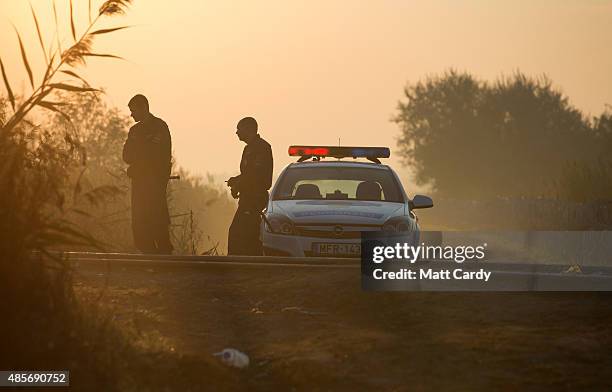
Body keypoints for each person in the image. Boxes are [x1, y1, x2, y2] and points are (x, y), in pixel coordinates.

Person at [122, 94, 173, 254]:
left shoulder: (159, 127)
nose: (131, 114)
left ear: (143, 107)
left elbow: (157, 155)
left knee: (157, 219)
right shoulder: (134, 131)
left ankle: (164, 256)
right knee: (139, 221)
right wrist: (142, 155)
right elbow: (127, 155)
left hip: (155, 182)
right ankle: (148, 255)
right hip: (139, 183)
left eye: (133, 110)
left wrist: (141, 157)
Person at [227, 117, 273, 255]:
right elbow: (248, 174)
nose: (236, 133)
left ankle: (236, 265)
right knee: (249, 235)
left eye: (239, 129)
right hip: (247, 198)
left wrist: (239, 184)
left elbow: (256, 176)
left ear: (249, 129)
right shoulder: (249, 149)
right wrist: (236, 182)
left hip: (254, 199)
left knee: (238, 233)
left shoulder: (262, 148)